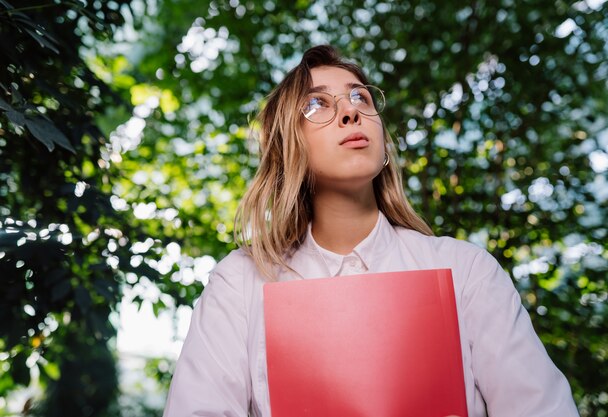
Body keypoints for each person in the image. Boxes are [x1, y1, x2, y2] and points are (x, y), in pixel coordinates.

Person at [163, 45, 579, 417]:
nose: (351, 111)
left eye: (359, 97)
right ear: (288, 147)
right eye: (316, 105)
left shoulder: (465, 271)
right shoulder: (240, 283)